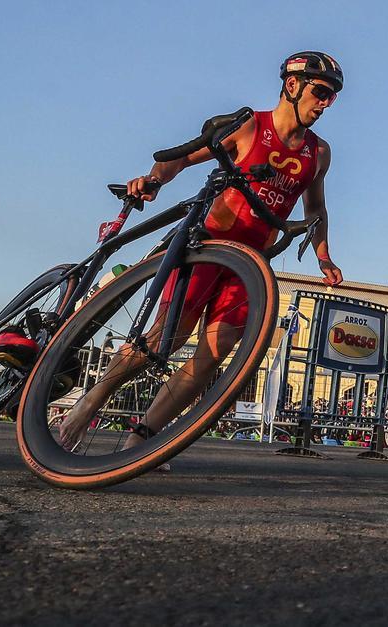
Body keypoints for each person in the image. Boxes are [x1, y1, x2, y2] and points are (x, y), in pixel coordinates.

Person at [58, 51, 345, 457]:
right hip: (208, 246)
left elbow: (315, 209)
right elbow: (182, 156)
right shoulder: (249, 126)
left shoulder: (319, 153)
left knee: (212, 354)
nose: (325, 103)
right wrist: (153, 180)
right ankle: (92, 401)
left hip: (251, 264)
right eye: (320, 92)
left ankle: (143, 437)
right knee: (164, 340)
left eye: (332, 97)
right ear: (292, 86)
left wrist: (324, 256)